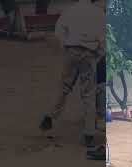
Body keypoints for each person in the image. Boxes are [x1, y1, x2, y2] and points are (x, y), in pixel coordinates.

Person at [39, 0, 104, 151]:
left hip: (71, 50)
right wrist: (98, 55)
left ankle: (50, 116)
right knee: (88, 94)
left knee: (64, 88)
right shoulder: (99, 13)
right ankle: (89, 133)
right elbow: (103, 39)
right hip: (89, 53)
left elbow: (58, 31)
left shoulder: (71, 10)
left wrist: (67, 47)